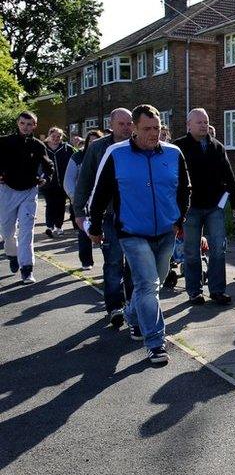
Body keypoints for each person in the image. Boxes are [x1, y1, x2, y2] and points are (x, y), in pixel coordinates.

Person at [88, 104, 190, 364]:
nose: (154, 134)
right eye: (147, 129)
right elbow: (99, 194)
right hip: (132, 233)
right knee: (147, 285)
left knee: (156, 280)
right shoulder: (116, 153)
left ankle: (133, 315)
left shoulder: (173, 153)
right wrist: (96, 227)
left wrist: (180, 219)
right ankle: (155, 342)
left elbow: (184, 189)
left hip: (166, 231)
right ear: (133, 128)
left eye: (157, 128)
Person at [173, 108, 235, 306]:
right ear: (189, 125)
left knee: (218, 249)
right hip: (190, 208)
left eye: (206, 122)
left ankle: (218, 290)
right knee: (192, 251)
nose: (203, 126)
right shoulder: (179, 147)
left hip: (214, 207)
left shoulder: (217, 147)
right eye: (199, 122)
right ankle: (194, 291)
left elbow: (229, 176)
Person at [74, 107, 135, 327]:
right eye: (122, 124)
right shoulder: (98, 148)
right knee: (113, 262)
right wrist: (79, 212)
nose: (127, 128)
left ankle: (133, 305)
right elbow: (85, 181)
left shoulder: (137, 146)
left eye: (130, 124)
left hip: (135, 215)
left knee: (135, 265)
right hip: (108, 215)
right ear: (111, 125)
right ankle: (115, 306)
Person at [0, 111, 54, 284]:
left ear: (35, 126)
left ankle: (27, 269)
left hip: (29, 192)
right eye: (23, 123)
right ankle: (12, 254)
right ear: (18, 123)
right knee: (8, 232)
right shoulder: (4, 142)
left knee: (26, 232)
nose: (26, 127)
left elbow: (48, 166)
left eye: (30, 124)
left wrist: (45, 178)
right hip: (7, 190)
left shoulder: (38, 145)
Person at [63, 129, 103, 270]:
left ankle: (110, 262)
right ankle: (86, 261)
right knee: (84, 230)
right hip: (83, 200)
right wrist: (75, 198)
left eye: (96, 141)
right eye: (90, 141)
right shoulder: (78, 157)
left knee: (105, 231)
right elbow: (68, 180)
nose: (93, 144)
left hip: (101, 199)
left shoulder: (106, 156)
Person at [41, 127, 75, 238]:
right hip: (48, 182)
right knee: (50, 204)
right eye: (53, 136)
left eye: (58, 136)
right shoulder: (43, 148)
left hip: (63, 182)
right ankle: (50, 226)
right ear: (49, 136)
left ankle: (59, 227)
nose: (56, 139)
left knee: (60, 205)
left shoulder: (67, 148)